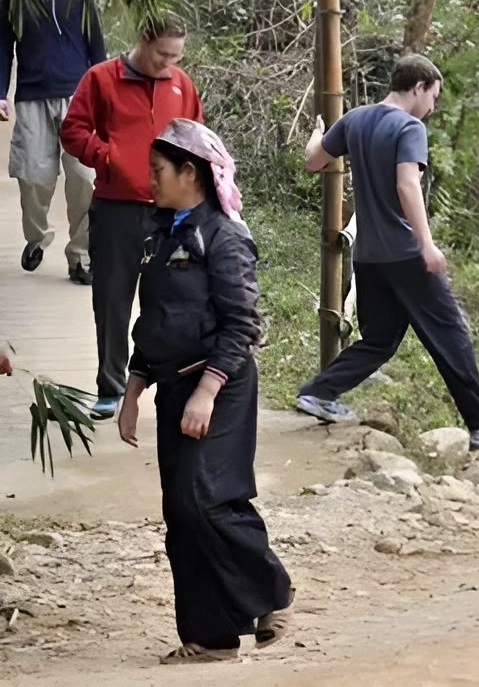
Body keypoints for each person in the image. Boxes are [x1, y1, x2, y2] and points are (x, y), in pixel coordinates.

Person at [117, 119, 292, 664]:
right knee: (181, 513)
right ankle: (209, 636)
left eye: (157, 171)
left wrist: (207, 390)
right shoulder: (161, 232)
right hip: (172, 383)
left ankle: (273, 594)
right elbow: (157, 319)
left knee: (209, 498)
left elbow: (242, 325)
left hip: (221, 383)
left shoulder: (224, 236)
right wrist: (134, 386)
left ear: (189, 173)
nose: (149, 180)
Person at [296, 54, 479, 450]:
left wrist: (317, 134)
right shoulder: (409, 126)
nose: (433, 106)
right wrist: (426, 244)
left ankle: (318, 392)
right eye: (434, 96)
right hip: (405, 253)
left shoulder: (354, 119)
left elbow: (313, 160)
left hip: (369, 256)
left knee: (380, 338)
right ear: (418, 86)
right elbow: (407, 185)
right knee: (450, 334)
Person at [60, 14, 203, 420]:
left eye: (176, 56)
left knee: (176, 297)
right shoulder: (101, 78)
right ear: (143, 40)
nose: (169, 63)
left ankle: (175, 385)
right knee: (112, 298)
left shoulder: (181, 83)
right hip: (117, 207)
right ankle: (110, 387)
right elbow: (73, 130)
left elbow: (197, 135)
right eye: (163, 54)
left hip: (171, 212)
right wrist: (107, 157)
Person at [1, 0, 105, 283]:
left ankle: (80, 255)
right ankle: (37, 237)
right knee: (32, 174)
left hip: (79, 95)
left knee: (85, 176)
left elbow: (95, 40)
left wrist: (107, 92)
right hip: (32, 94)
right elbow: (3, 45)